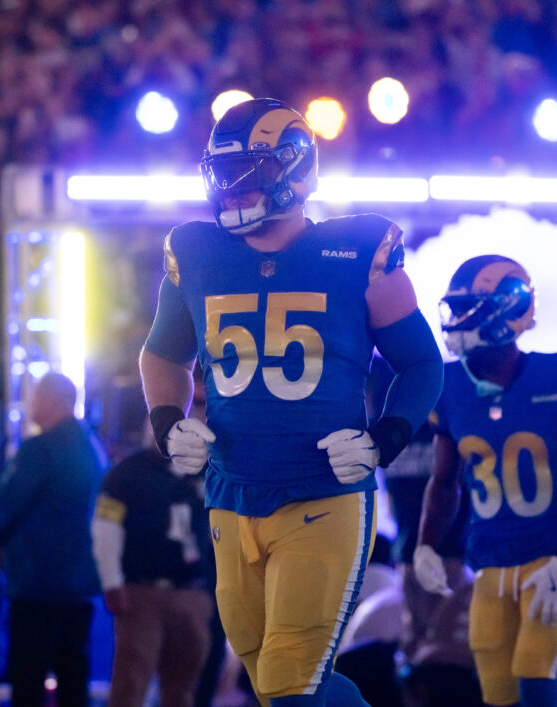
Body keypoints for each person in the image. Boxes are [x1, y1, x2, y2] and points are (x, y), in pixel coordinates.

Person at [139, 98, 444, 706]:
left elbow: (421, 364)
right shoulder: (195, 253)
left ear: (293, 168)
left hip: (323, 492)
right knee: (277, 677)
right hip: (230, 493)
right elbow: (163, 356)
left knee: (288, 681)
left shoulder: (358, 248)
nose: (231, 189)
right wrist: (168, 421)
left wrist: (385, 438)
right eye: (222, 174)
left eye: (248, 171)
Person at [414, 255, 557, 707]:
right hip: (489, 560)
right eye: (456, 308)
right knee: (498, 696)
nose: (457, 321)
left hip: (548, 555)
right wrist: (425, 543)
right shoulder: (449, 386)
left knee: (536, 687)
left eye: (471, 309)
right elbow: (445, 481)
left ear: (508, 310)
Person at [0, 372, 106, 707]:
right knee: (73, 675)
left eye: (36, 395)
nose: (31, 403)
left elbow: (7, 502)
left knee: (28, 676)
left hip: (37, 581)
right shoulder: (93, 450)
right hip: (81, 583)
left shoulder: (39, 450)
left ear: (54, 400)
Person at [91, 442, 215, 707]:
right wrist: (111, 582)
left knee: (183, 689)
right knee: (130, 684)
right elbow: (105, 528)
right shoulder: (127, 472)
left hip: (192, 590)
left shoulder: (207, 467)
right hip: (141, 592)